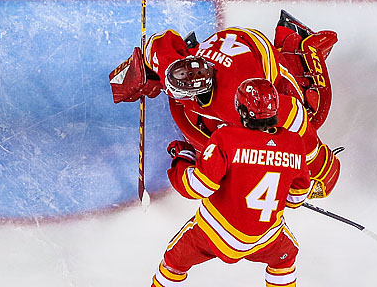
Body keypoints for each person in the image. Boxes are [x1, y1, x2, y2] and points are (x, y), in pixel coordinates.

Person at [109, 10, 339, 199]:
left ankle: (296, 40)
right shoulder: (176, 67)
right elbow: (157, 42)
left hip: (257, 55)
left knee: (312, 114)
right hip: (226, 46)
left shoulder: (235, 97)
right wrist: (143, 72)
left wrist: (320, 166)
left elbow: (296, 115)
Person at [150, 78, 311, 287]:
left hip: (215, 233)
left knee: (174, 261)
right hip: (265, 238)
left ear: (242, 110)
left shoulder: (226, 138)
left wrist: (182, 159)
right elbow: (296, 198)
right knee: (285, 259)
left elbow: (198, 187)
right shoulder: (294, 143)